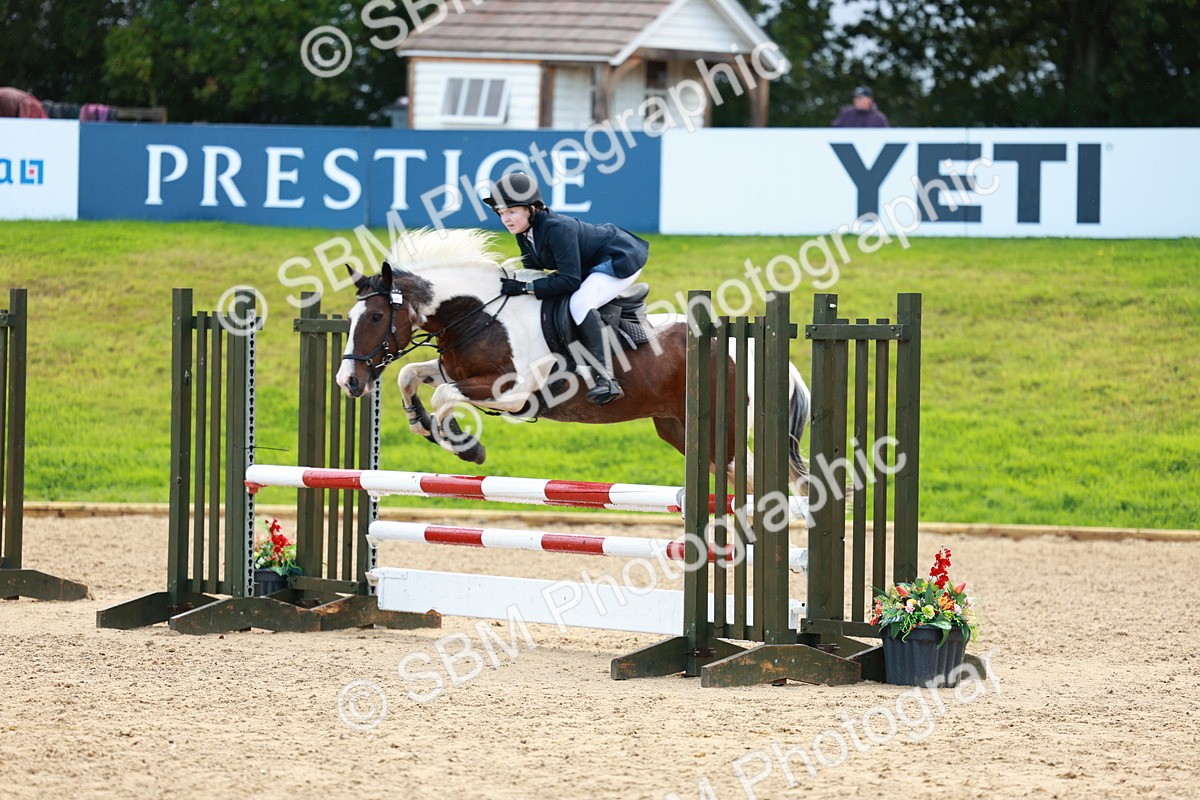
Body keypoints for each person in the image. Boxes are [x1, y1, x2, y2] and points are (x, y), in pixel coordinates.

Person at [484, 171, 649, 406]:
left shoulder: (556, 228)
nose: (506, 219)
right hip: (588, 264)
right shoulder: (524, 231)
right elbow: (534, 270)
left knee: (580, 303)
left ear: (532, 208)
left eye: (511, 211)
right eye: (501, 213)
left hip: (618, 259)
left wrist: (525, 288)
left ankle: (606, 379)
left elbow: (570, 281)